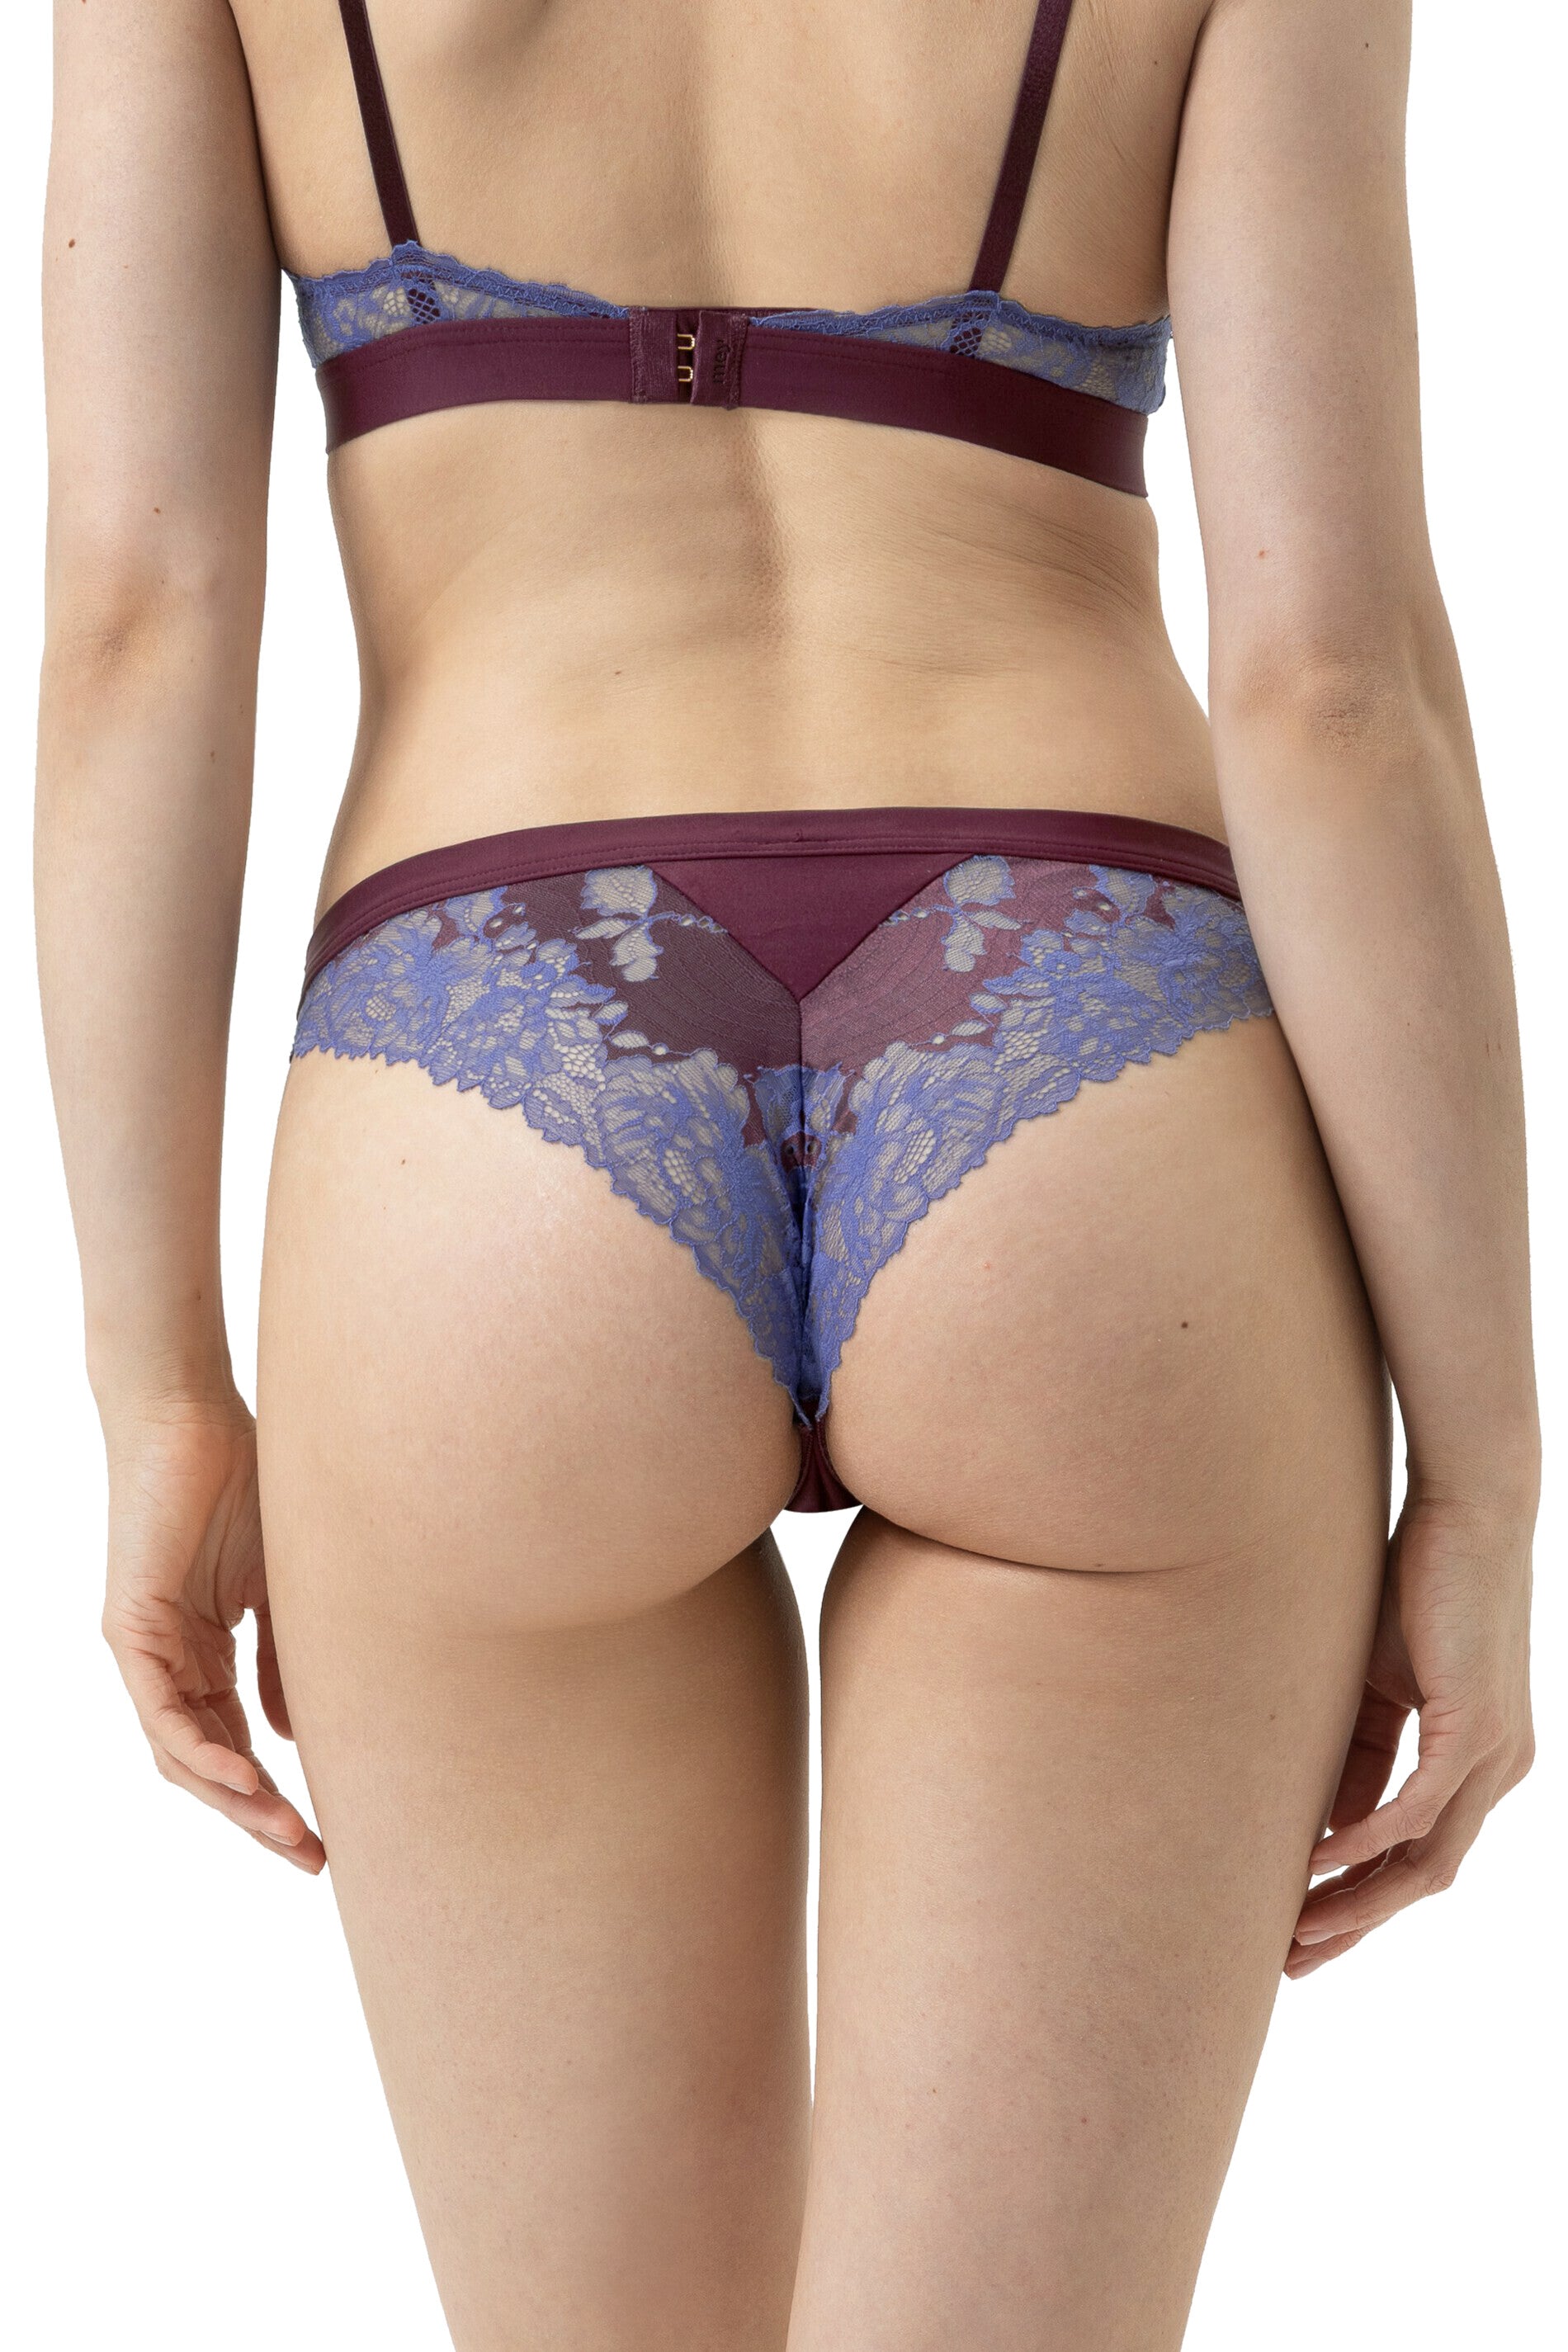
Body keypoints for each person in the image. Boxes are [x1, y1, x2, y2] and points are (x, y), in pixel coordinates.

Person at [35, 2, 1537, 2346]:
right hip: (1091, 1054)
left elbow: (141, 624)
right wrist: (1486, 1464)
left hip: (488, 1064)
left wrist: (156, 1384)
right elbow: (1331, 685)